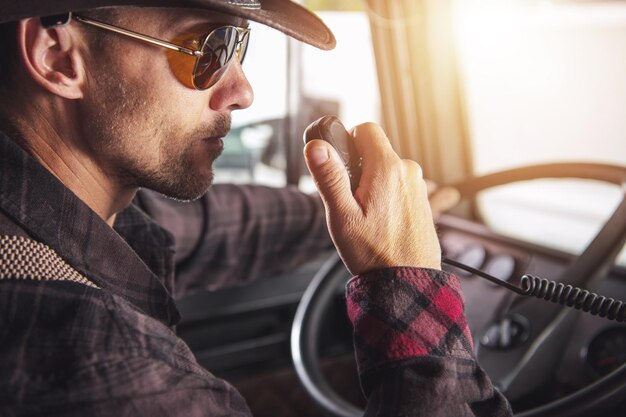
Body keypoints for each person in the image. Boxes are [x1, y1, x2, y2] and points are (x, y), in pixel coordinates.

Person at [0, 1, 512, 416]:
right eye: (209, 49)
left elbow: (223, 227)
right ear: (57, 56)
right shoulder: (108, 372)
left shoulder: (74, 212)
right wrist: (408, 283)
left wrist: (364, 216)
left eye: (239, 46)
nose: (243, 91)